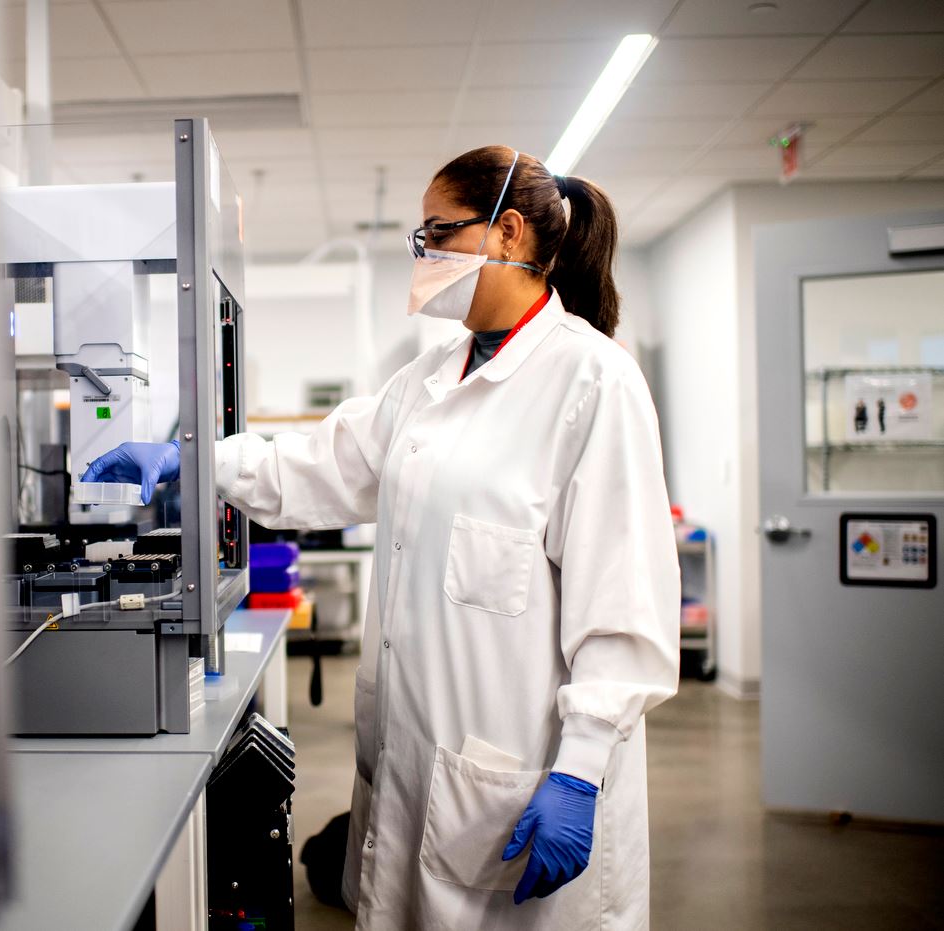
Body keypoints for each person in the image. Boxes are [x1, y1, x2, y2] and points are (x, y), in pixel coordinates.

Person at [83, 146, 680, 929]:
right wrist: (190, 459)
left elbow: (623, 604)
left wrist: (580, 768)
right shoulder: (427, 381)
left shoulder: (593, 382)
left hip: (520, 777)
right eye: (420, 237)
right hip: (413, 764)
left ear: (506, 233)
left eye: (438, 233)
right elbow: (317, 466)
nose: (424, 255)